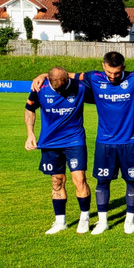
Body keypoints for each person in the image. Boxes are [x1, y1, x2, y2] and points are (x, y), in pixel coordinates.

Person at [32, 51, 134, 235]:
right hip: (104, 141)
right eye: (109, 73)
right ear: (103, 66)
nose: (113, 77)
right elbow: (68, 75)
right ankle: (102, 221)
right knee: (102, 180)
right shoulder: (92, 77)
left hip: (131, 140)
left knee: (132, 180)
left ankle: (129, 220)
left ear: (124, 68)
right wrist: (43, 76)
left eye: (117, 73)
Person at [24, 66, 91, 234]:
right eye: (56, 88)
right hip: (49, 142)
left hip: (74, 140)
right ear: (50, 82)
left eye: (63, 86)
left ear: (68, 79)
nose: (60, 91)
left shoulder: (80, 87)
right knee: (57, 180)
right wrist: (30, 134)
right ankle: (60, 221)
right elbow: (29, 109)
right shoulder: (40, 88)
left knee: (79, 179)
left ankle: (84, 218)